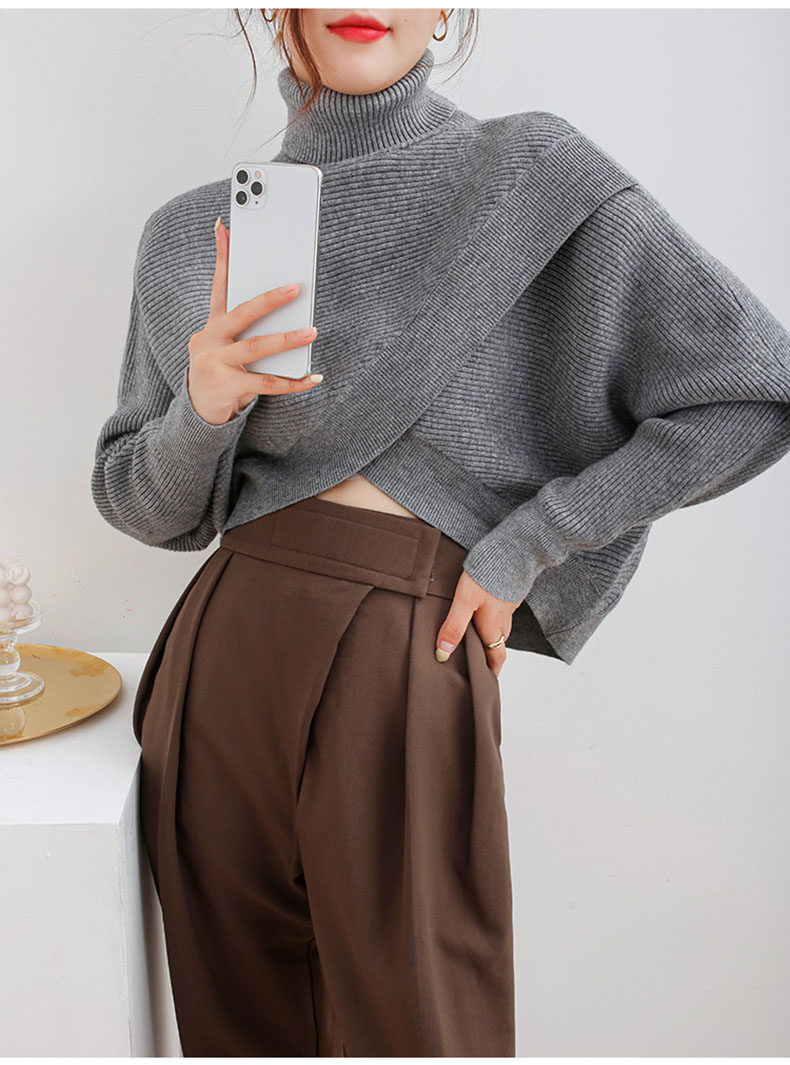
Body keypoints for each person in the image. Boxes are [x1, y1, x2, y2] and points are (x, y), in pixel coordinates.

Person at [91, 8, 790, 1057]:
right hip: (219, 658)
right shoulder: (192, 233)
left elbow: (751, 392)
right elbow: (141, 505)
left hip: (408, 651)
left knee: (426, 1027)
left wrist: (531, 542)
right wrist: (203, 408)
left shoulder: (530, 177)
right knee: (240, 1031)